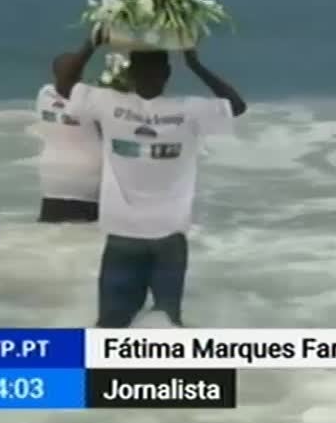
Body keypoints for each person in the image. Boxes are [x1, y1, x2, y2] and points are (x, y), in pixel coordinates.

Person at [54, 27, 246, 327]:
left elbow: (64, 85)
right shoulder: (188, 110)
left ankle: (104, 373)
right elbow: (236, 105)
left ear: (130, 73)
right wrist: (196, 65)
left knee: (109, 325)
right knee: (168, 325)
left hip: (122, 234)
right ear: (168, 73)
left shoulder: (110, 104)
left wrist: (91, 44)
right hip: (169, 236)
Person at [34, 55, 103, 223]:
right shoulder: (91, 99)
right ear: (80, 76)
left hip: (52, 183)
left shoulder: (45, 94)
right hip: (86, 186)